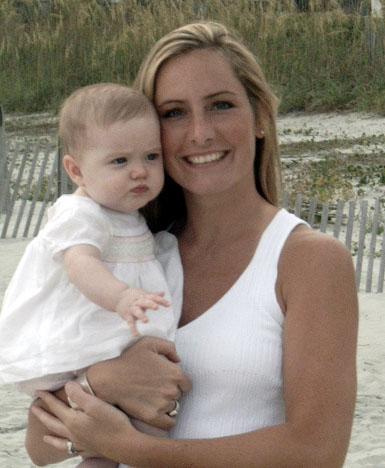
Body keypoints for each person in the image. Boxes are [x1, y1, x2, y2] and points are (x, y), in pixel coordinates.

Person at [28, 22, 358, 467]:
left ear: (259, 116)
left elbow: (317, 452)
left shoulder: (308, 260)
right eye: (174, 113)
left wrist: (132, 448)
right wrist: (99, 383)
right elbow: (36, 445)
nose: (200, 133)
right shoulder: (125, 256)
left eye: (220, 105)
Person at [0, 84, 184, 467]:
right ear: (76, 170)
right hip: (88, 341)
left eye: (151, 156)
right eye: (119, 161)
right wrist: (120, 297)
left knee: (142, 425)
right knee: (112, 427)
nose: (139, 171)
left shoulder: (128, 216)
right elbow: (81, 263)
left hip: (114, 343)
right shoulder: (79, 212)